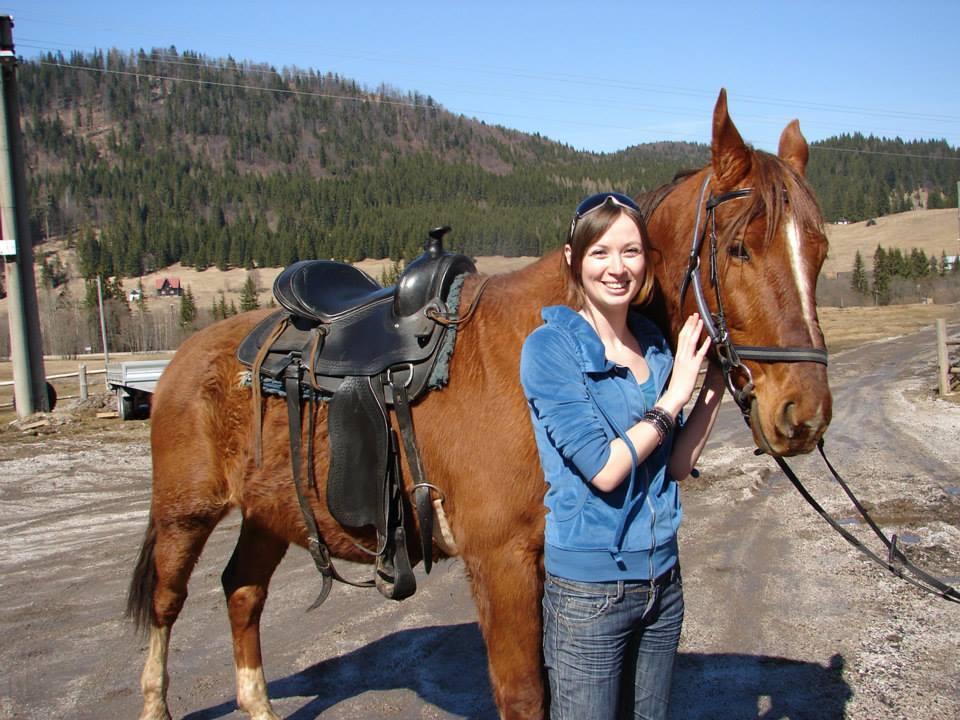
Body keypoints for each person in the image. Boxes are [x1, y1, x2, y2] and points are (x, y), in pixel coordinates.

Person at [520, 192, 726, 719]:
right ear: (573, 258)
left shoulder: (654, 343)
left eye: (631, 252)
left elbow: (676, 465)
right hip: (591, 593)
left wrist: (713, 384)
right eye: (600, 252)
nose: (618, 268)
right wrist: (675, 393)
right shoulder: (550, 349)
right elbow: (606, 469)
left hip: (663, 583)